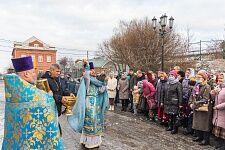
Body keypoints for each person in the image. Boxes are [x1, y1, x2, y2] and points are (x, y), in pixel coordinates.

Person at [2, 56, 64, 149]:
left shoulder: (13, 90)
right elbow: (47, 101)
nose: (35, 75)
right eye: (33, 72)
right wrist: (49, 95)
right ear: (26, 74)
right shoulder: (30, 92)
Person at [68, 61, 108, 149]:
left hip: (96, 102)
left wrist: (104, 84)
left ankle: (94, 141)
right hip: (89, 102)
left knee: (96, 120)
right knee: (89, 120)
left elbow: (101, 90)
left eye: (93, 70)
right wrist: (86, 67)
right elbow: (86, 75)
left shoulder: (97, 81)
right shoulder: (87, 80)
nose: (93, 71)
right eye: (91, 70)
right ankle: (87, 141)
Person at [189, 71, 212, 146]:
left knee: (204, 124)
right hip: (197, 107)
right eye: (197, 77)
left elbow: (206, 99)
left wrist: (195, 103)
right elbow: (192, 96)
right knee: (198, 123)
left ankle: (206, 140)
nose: (198, 79)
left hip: (204, 108)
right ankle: (199, 137)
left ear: (204, 78)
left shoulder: (207, 87)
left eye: (199, 77)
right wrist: (190, 103)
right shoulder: (197, 85)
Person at [164, 70, 183, 134]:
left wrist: (180, 103)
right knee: (170, 115)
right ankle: (170, 126)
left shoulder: (178, 84)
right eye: (170, 75)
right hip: (168, 102)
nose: (171, 76)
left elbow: (180, 94)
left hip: (175, 102)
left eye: (172, 75)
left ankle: (175, 128)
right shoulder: (168, 83)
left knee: (174, 115)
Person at [211, 73, 225, 149]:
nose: (219, 80)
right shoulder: (218, 87)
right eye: (219, 78)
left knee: (223, 129)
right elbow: (214, 99)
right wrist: (213, 93)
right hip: (217, 112)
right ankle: (219, 144)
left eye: (221, 78)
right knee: (218, 128)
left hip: (222, 111)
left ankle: (223, 145)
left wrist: (218, 107)